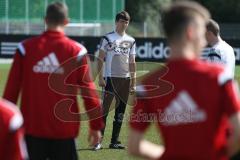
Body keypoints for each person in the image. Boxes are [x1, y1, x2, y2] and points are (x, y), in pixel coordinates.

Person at [128, 1, 240, 160]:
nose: (203, 42)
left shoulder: (146, 86)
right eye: (202, 35)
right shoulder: (220, 78)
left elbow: (134, 146)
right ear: (191, 32)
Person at [3, 2, 104, 160]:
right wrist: (96, 126)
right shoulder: (76, 51)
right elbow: (89, 93)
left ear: (45, 20)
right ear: (66, 22)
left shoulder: (25, 48)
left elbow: (10, 94)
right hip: (64, 132)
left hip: (31, 131)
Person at [95, 11, 136, 150]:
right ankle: (98, 141)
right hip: (110, 79)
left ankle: (114, 141)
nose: (124, 24)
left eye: (127, 22)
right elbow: (100, 58)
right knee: (104, 112)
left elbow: (132, 62)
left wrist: (133, 81)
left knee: (120, 112)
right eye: (122, 21)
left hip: (125, 80)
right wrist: (100, 77)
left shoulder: (131, 40)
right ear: (116, 22)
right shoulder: (107, 38)